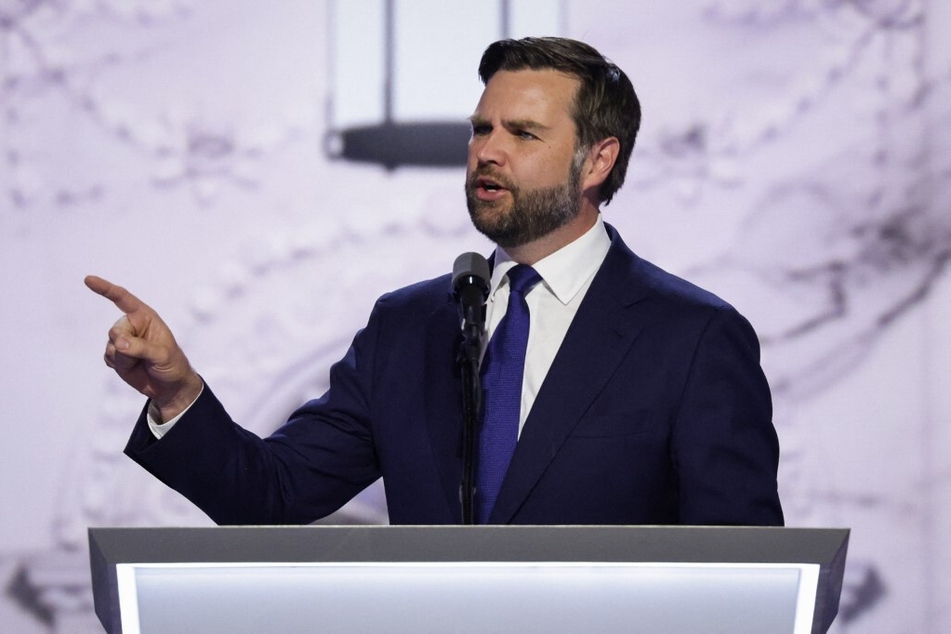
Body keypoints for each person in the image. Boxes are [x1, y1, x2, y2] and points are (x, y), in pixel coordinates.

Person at [86, 37, 783, 526]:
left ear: (597, 160)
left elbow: (742, 568)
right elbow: (273, 492)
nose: (487, 151)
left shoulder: (690, 337)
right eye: (480, 129)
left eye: (523, 133)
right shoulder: (410, 325)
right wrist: (177, 395)